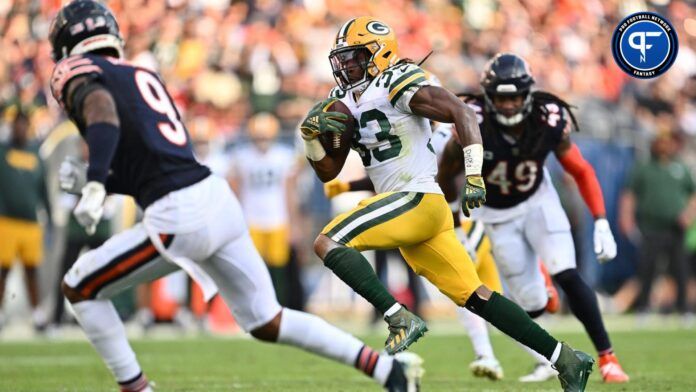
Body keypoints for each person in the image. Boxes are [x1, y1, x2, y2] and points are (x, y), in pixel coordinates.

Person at [48, 2, 422, 391]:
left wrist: (94, 180)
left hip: (179, 213)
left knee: (79, 287)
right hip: (213, 199)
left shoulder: (79, 72)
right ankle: (387, 370)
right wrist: (106, 182)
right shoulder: (142, 74)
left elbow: (101, 111)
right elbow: (158, 167)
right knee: (267, 320)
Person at [300, 16, 593, 391]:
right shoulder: (344, 100)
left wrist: (473, 174)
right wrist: (312, 141)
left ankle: (398, 317)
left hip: (415, 198)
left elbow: (462, 112)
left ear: (380, 53)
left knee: (328, 241)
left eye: (355, 56)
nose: (347, 65)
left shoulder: (396, 80)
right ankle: (566, 359)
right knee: (477, 296)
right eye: (343, 58)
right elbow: (328, 171)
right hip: (416, 211)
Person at [437, 53, 629, 383]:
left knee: (567, 272)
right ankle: (543, 290)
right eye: (501, 97)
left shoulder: (548, 117)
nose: (509, 104)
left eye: (514, 96)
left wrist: (600, 219)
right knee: (533, 304)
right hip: (496, 214)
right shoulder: (473, 120)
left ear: (528, 94)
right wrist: (455, 224)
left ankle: (608, 358)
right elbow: (446, 172)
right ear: (488, 95)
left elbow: (580, 169)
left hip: (539, 201)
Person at [228, 112, 303, 308]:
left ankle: (279, 307)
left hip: (278, 218)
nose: (262, 141)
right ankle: (256, 307)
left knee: (279, 269)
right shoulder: (242, 157)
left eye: (265, 136)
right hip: (251, 218)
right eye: (258, 136)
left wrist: (294, 224)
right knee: (253, 269)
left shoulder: (284, 156)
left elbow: (290, 193)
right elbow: (236, 190)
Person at [619, 131, 696, 315]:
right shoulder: (644, 167)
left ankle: (684, 309)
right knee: (647, 268)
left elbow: (693, 194)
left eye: (667, 141)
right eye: (660, 141)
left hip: (675, 227)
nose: (664, 145)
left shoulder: (681, 167)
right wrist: (626, 218)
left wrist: (688, 214)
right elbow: (629, 194)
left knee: (680, 269)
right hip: (650, 226)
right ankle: (643, 308)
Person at [0, 108, 52, 332]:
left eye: (23, 124)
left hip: (31, 222)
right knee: (3, 269)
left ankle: (37, 315)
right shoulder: (3, 151)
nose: (20, 128)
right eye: (16, 124)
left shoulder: (36, 153)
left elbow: (44, 190)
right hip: (6, 220)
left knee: (32, 270)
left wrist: (48, 217)